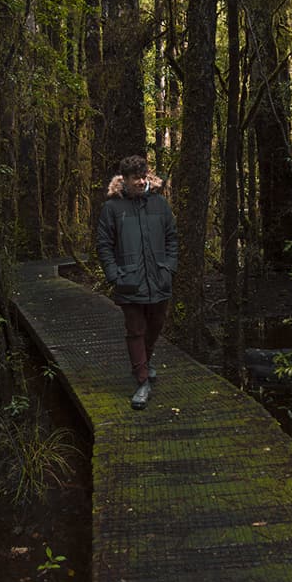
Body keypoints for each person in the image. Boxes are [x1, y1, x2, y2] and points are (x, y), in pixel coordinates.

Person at [95, 154, 178, 409]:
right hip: (129, 281)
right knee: (136, 330)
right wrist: (114, 274)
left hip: (159, 279)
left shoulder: (160, 204)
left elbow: (172, 238)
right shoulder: (112, 208)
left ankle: (145, 361)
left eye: (144, 177)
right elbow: (104, 245)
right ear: (125, 180)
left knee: (155, 325)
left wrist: (168, 269)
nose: (141, 182)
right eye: (135, 178)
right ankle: (142, 381)